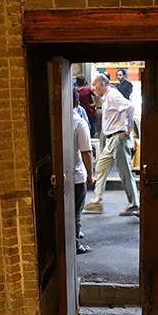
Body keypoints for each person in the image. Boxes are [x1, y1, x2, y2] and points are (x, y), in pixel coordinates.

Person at [83, 74, 139, 216]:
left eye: (95, 84)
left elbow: (130, 106)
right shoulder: (107, 96)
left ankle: (134, 204)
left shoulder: (112, 95)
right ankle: (96, 202)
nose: (93, 88)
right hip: (112, 139)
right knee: (101, 166)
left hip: (118, 137)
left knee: (125, 172)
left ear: (102, 84)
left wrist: (128, 128)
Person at [72, 89, 94, 254]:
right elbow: (86, 152)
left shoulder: (56, 121)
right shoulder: (79, 122)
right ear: (78, 104)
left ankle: (71, 238)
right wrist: (90, 175)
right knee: (76, 212)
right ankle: (75, 244)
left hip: (61, 174)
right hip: (76, 174)